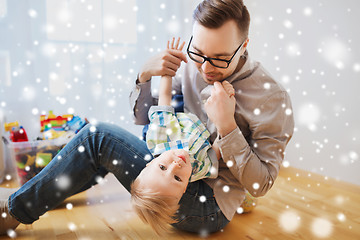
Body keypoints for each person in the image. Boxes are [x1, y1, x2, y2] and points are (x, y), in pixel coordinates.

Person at [0, 0, 294, 236]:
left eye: (219, 58)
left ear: (244, 46)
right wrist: (144, 76)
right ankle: (29, 196)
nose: (205, 68)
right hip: (168, 175)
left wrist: (228, 127)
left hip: (207, 205)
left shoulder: (271, 99)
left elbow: (260, 185)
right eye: (198, 52)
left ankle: (13, 210)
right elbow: (147, 121)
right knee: (102, 149)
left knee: (99, 137)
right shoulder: (192, 66)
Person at [130, 37, 240, 234]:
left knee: (173, 103)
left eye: (162, 167)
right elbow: (218, 148)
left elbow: (165, 98)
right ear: (184, 190)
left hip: (174, 121)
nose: (176, 165)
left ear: (150, 163)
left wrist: (167, 72)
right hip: (198, 128)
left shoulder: (160, 138)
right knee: (210, 102)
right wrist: (225, 103)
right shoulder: (198, 169)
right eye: (177, 178)